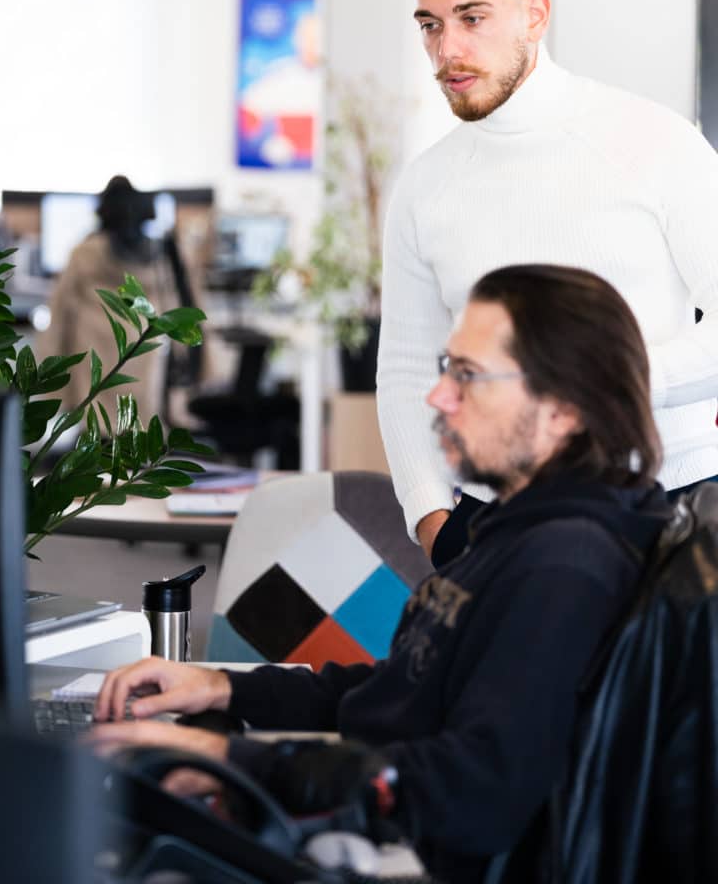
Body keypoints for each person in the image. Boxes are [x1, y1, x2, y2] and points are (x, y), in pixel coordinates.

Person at [85, 264, 671, 883]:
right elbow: (401, 692)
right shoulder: (522, 527)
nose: (438, 395)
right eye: (447, 368)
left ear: (564, 411)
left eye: (467, 375)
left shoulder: (566, 566)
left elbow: (471, 792)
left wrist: (230, 756)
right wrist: (221, 688)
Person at [377, 0, 718, 563]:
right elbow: (404, 367)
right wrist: (431, 517)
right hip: (492, 520)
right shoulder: (425, 185)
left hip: (668, 502)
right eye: (430, 25)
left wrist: (610, 382)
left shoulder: (655, 142)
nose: (447, 49)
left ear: (534, 15)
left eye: (472, 18)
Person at [36, 175, 182, 425]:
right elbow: (175, 309)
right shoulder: (156, 257)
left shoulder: (84, 253)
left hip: (95, 350)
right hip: (142, 348)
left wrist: (50, 378)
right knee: (138, 425)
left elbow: (60, 312)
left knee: (99, 425)